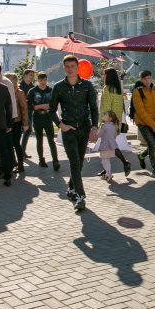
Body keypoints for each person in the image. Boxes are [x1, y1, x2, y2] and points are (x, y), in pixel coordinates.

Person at [50, 55, 99, 211]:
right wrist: (60, 125)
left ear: (78, 67)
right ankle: (80, 197)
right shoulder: (58, 87)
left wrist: (94, 127)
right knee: (74, 162)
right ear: (64, 68)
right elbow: (51, 110)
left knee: (80, 162)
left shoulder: (87, 86)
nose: (70, 69)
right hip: (68, 130)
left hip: (84, 128)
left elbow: (94, 108)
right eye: (67, 66)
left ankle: (71, 189)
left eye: (72, 66)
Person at [98, 68, 131, 177]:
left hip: (107, 122)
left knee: (110, 146)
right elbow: (120, 108)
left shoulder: (107, 89)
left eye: (104, 75)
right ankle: (105, 169)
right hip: (115, 122)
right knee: (108, 145)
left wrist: (102, 121)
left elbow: (106, 107)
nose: (103, 77)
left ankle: (125, 163)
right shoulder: (118, 89)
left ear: (108, 77)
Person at [0, 63, 18, 178]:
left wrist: (8, 120)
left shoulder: (5, 82)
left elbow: (9, 103)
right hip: (0, 119)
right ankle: (3, 168)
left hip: (6, 118)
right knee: (1, 145)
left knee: (6, 145)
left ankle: (7, 169)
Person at [133, 71, 155, 177]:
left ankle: (141, 156)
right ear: (141, 80)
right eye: (145, 78)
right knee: (152, 144)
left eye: (149, 78)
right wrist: (153, 125)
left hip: (153, 122)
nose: (147, 80)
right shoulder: (137, 92)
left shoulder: (154, 89)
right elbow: (141, 112)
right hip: (142, 123)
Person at [26, 72, 60, 170]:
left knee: (51, 141)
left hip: (48, 117)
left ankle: (55, 161)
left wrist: (52, 108)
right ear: (37, 80)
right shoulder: (32, 91)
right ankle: (41, 159)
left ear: (46, 80)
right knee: (39, 140)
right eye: (41, 80)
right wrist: (40, 106)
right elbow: (28, 106)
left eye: (44, 80)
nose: (43, 82)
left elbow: (55, 103)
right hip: (37, 117)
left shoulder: (50, 90)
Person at [4, 72, 29, 173]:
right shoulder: (4, 91)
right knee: (8, 144)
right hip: (6, 121)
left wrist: (25, 123)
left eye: (8, 79)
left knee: (15, 143)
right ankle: (12, 162)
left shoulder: (19, 92)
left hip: (16, 121)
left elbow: (24, 108)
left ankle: (20, 163)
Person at [97, 111, 120, 182]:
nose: (103, 115)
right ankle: (107, 174)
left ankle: (109, 174)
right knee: (107, 160)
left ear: (110, 118)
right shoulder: (113, 126)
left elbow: (99, 135)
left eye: (106, 114)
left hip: (104, 146)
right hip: (112, 146)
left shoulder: (103, 126)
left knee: (104, 161)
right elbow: (115, 135)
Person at [19, 69, 35, 158]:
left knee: (28, 130)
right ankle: (20, 150)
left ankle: (22, 150)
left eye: (32, 75)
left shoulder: (33, 87)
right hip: (22, 112)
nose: (32, 77)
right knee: (25, 130)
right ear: (25, 75)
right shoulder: (20, 86)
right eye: (30, 75)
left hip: (30, 111)